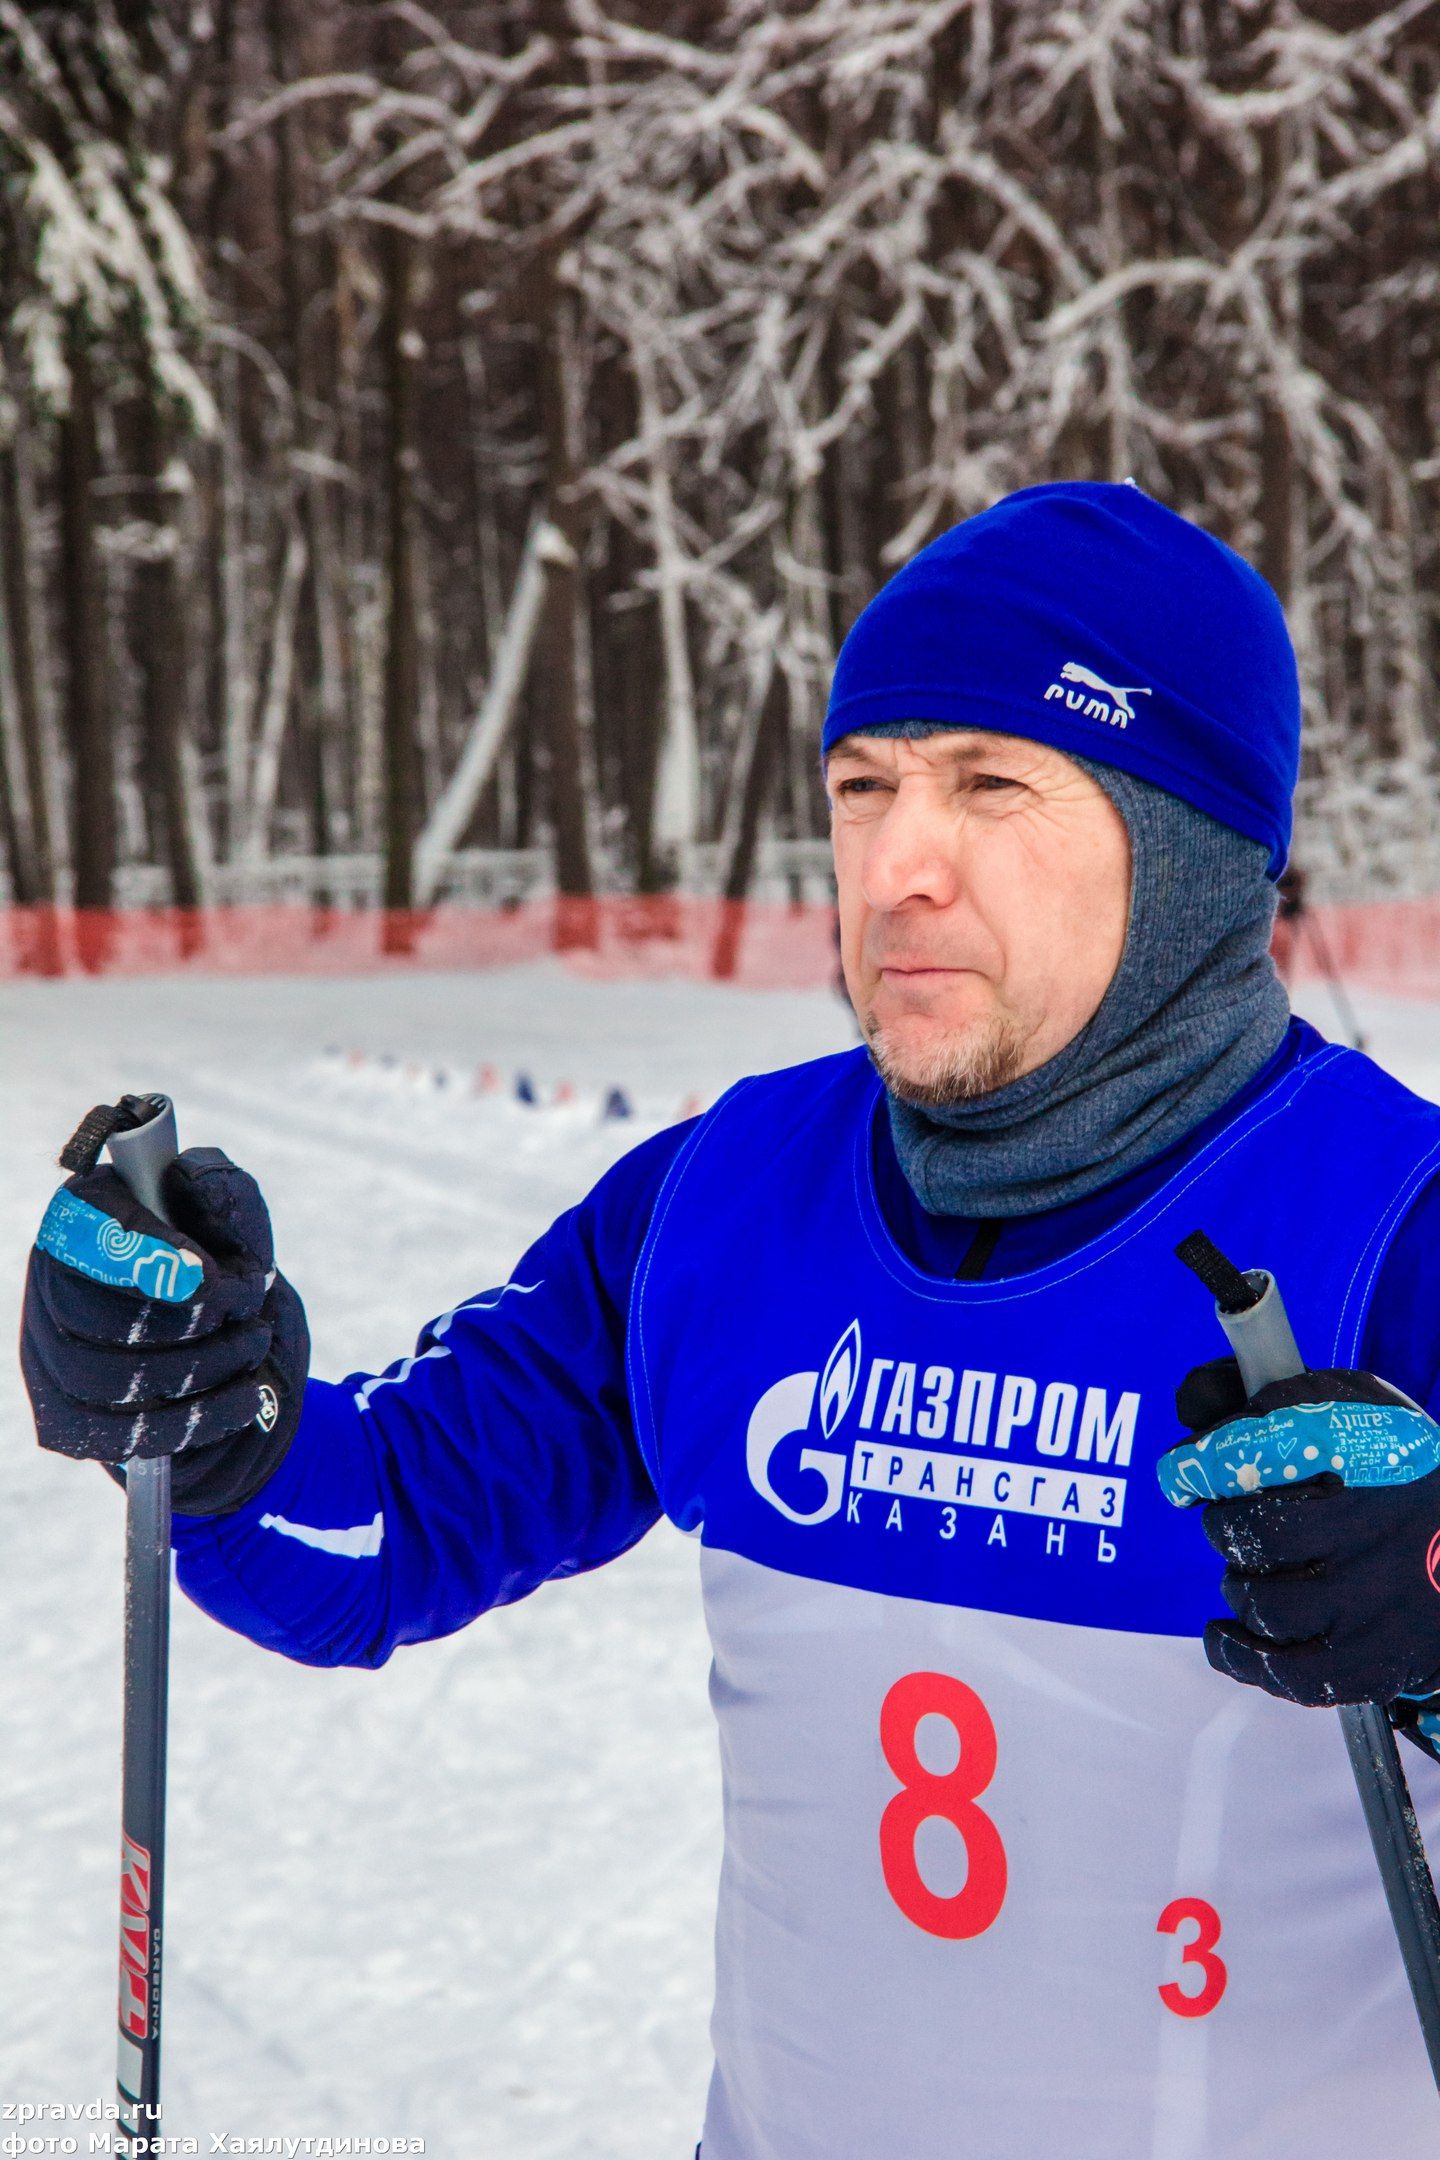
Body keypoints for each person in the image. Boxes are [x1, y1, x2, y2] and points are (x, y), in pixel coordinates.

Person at [23, 480, 1440, 2159]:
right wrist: (203, 1413)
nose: (899, 867)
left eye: (994, 785)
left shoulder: (1389, 1231)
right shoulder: (722, 1199)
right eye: (864, 788)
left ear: (1198, 856)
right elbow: (373, 1530)